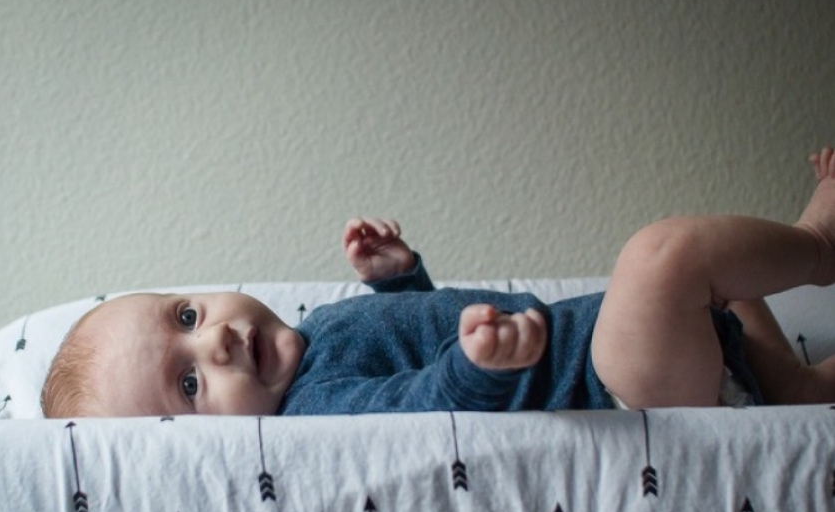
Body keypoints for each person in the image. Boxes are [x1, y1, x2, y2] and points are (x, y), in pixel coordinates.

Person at [41, 148, 835, 418]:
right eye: (188, 382)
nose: (213, 340)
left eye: (186, 315)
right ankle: (819, 247)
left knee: (719, 283)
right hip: (609, 388)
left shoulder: (320, 333)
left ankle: (793, 387)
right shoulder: (316, 412)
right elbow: (415, 408)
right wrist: (475, 370)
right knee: (663, 260)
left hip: (639, 356)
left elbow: (415, 338)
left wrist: (403, 282)